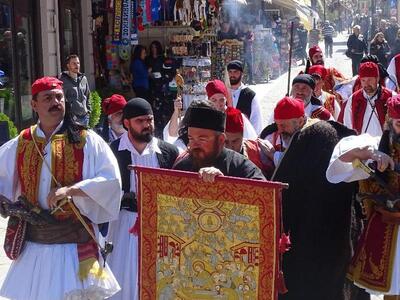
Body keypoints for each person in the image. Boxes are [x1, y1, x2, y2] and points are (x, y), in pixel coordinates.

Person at [0, 77, 122, 300]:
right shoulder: (23, 141)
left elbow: (111, 181)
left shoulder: (86, 140)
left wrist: (71, 190)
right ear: (34, 105)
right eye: (48, 98)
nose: (55, 102)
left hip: (72, 245)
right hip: (34, 244)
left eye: (59, 97)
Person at [266, 96, 358, 300]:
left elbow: (284, 190)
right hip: (334, 238)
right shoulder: (325, 133)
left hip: (315, 237)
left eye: (283, 125)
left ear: (300, 121)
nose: (280, 131)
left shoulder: (309, 137)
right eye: (278, 125)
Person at [326, 95, 400, 300]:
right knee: (392, 288)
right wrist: (372, 154)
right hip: (388, 227)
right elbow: (341, 155)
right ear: (389, 123)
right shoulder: (378, 144)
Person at [107, 98, 179, 300]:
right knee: (125, 277)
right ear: (127, 123)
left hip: (162, 227)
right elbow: (101, 190)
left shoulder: (169, 152)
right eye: (141, 121)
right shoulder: (111, 152)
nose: (147, 125)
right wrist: (125, 198)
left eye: (150, 119)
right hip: (124, 227)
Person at [173, 100, 265, 180]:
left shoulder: (241, 167)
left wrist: (224, 182)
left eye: (202, 139)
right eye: (191, 138)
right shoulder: (181, 168)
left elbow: (266, 194)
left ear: (221, 139)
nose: (194, 145)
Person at [163, 79, 257, 145]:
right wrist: (176, 111)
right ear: (208, 100)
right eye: (214, 100)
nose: (218, 104)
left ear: (226, 99)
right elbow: (173, 133)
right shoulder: (201, 115)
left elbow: (251, 140)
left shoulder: (236, 115)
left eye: (221, 100)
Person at [342, 61, 396, 137]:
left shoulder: (391, 97)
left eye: (369, 80)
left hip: (385, 146)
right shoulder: (353, 99)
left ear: (377, 79)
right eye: (363, 80)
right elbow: (348, 126)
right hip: (362, 146)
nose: (366, 84)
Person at [224, 106, 275, 179]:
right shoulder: (212, 152)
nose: (230, 147)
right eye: (226, 142)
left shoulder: (258, 152)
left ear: (242, 136)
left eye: (235, 141)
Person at [227, 60, 263, 134]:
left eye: (235, 72)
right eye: (230, 72)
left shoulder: (250, 95)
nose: (232, 75)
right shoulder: (223, 93)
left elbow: (256, 121)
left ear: (241, 74)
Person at [59, 54, 91, 126]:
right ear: (68, 65)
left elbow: (88, 95)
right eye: (74, 63)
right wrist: (69, 116)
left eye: (78, 63)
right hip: (73, 119)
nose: (77, 65)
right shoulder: (63, 81)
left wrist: (88, 111)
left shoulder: (83, 79)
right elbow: (61, 100)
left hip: (85, 117)